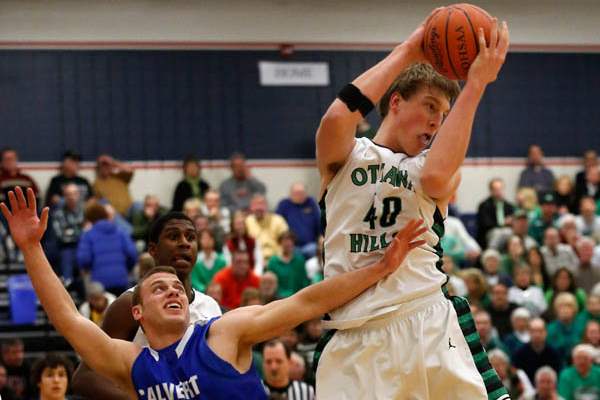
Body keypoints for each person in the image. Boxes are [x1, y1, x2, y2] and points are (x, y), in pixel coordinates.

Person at [2, 186, 426, 400]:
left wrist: (380, 268)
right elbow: (68, 319)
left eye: (176, 287)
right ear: (137, 312)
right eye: (158, 288)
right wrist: (32, 248)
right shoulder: (135, 363)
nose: (173, 291)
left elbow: (306, 302)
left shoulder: (222, 333)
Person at [313, 9, 509, 399]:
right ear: (396, 102)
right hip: (354, 332)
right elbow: (336, 118)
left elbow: (435, 177)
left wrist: (476, 85)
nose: (437, 122)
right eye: (431, 106)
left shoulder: (431, 167)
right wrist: (409, 50)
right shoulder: (348, 155)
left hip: (426, 319)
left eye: (444, 114)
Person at [72, 210, 223, 399]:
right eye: (173, 237)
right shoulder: (128, 303)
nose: (184, 243)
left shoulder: (210, 306)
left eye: (191, 237)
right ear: (153, 250)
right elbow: (85, 377)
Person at [76, 202, 138, 296]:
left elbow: (84, 259)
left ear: (89, 219)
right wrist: (126, 269)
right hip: (121, 279)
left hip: (99, 283)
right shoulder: (120, 232)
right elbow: (132, 254)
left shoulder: (88, 235)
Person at [275, 183, 321, 259]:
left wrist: (321, 237)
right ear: (290, 194)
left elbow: (319, 223)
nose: (299, 195)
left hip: (310, 245)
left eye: (301, 193)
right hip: (291, 246)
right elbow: (277, 224)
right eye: (296, 193)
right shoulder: (284, 204)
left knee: (314, 251)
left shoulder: (311, 203)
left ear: (306, 193)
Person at [51, 183, 85, 283]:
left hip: (85, 245)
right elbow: (62, 237)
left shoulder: (85, 211)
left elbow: (91, 233)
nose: (71, 197)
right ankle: (67, 282)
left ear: (79, 195)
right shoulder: (58, 213)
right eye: (68, 194)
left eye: (74, 193)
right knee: (67, 254)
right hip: (67, 247)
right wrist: (81, 231)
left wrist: (71, 231)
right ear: (64, 196)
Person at [512, 318, 563, 384]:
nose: (537, 335)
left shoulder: (554, 353)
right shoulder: (519, 353)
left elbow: (558, 375)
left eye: (540, 331)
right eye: (533, 331)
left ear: (546, 333)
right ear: (529, 333)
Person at [246, 194, 289, 264]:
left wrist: (277, 259)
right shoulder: (247, 222)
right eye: (255, 204)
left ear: (267, 206)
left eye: (261, 204)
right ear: (251, 207)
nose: (258, 207)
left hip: (277, 259)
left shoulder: (278, 220)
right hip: (254, 261)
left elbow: (287, 242)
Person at [477, 178, 516, 248]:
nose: (499, 192)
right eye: (496, 189)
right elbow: (486, 224)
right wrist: (503, 223)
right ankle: (491, 252)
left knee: (513, 235)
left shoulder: (509, 206)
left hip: (507, 231)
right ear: (491, 191)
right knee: (497, 233)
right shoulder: (484, 205)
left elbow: (513, 221)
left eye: (501, 189)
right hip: (489, 233)